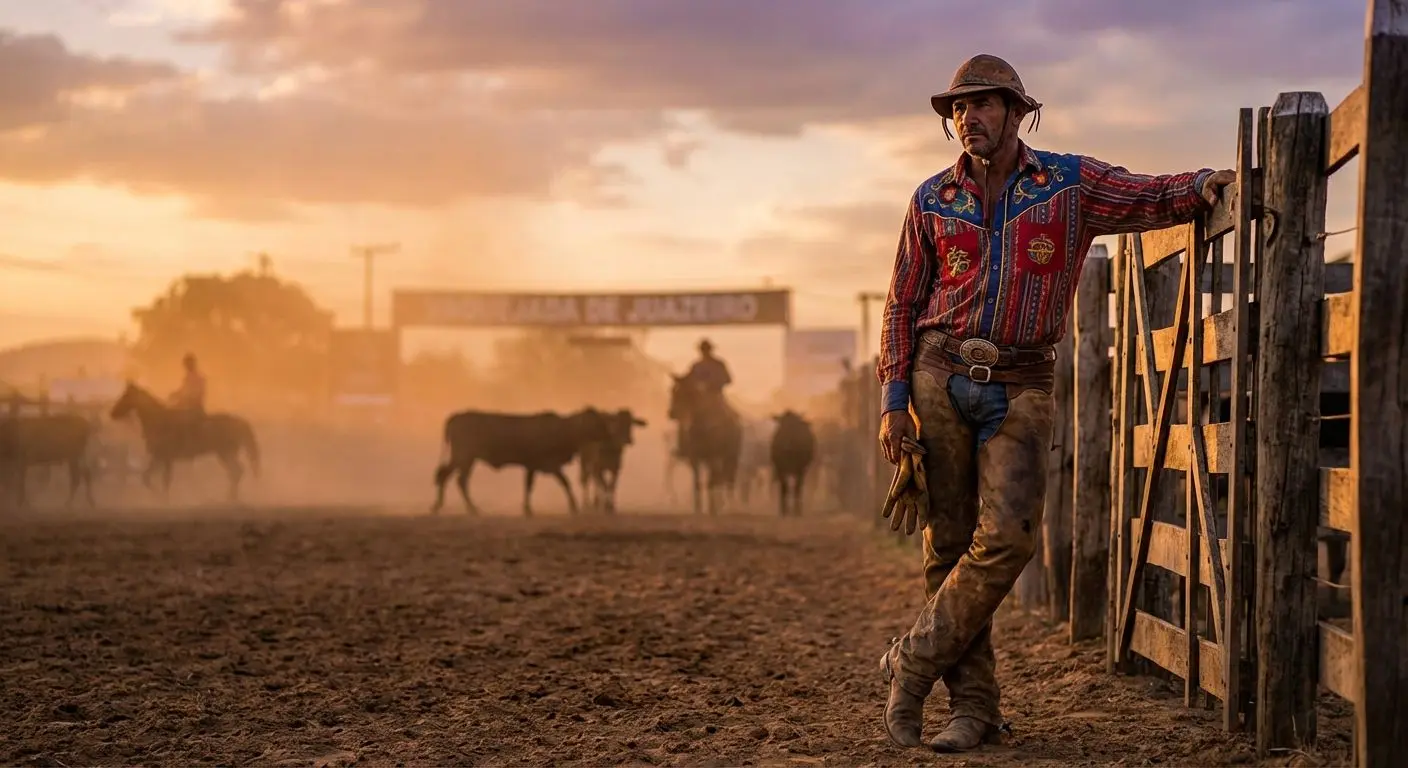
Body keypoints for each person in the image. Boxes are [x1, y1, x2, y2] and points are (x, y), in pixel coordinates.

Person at [875, 53, 1235, 753]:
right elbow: (900, 305)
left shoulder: (1070, 184)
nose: (966, 119)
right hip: (936, 372)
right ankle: (974, 709)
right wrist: (894, 402)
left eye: (981, 105)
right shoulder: (929, 201)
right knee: (947, 546)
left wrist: (1200, 185)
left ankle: (911, 661)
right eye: (957, 109)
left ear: (1017, 113)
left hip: (1022, 381)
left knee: (1008, 539)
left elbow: (1145, 193)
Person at [168, 353, 207, 432]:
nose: (187, 367)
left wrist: (182, 399)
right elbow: (183, 390)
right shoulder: (187, 378)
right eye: (186, 365)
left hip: (195, 410)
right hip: (186, 407)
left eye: (189, 364)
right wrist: (175, 394)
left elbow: (197, 395)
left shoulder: (199, 378)